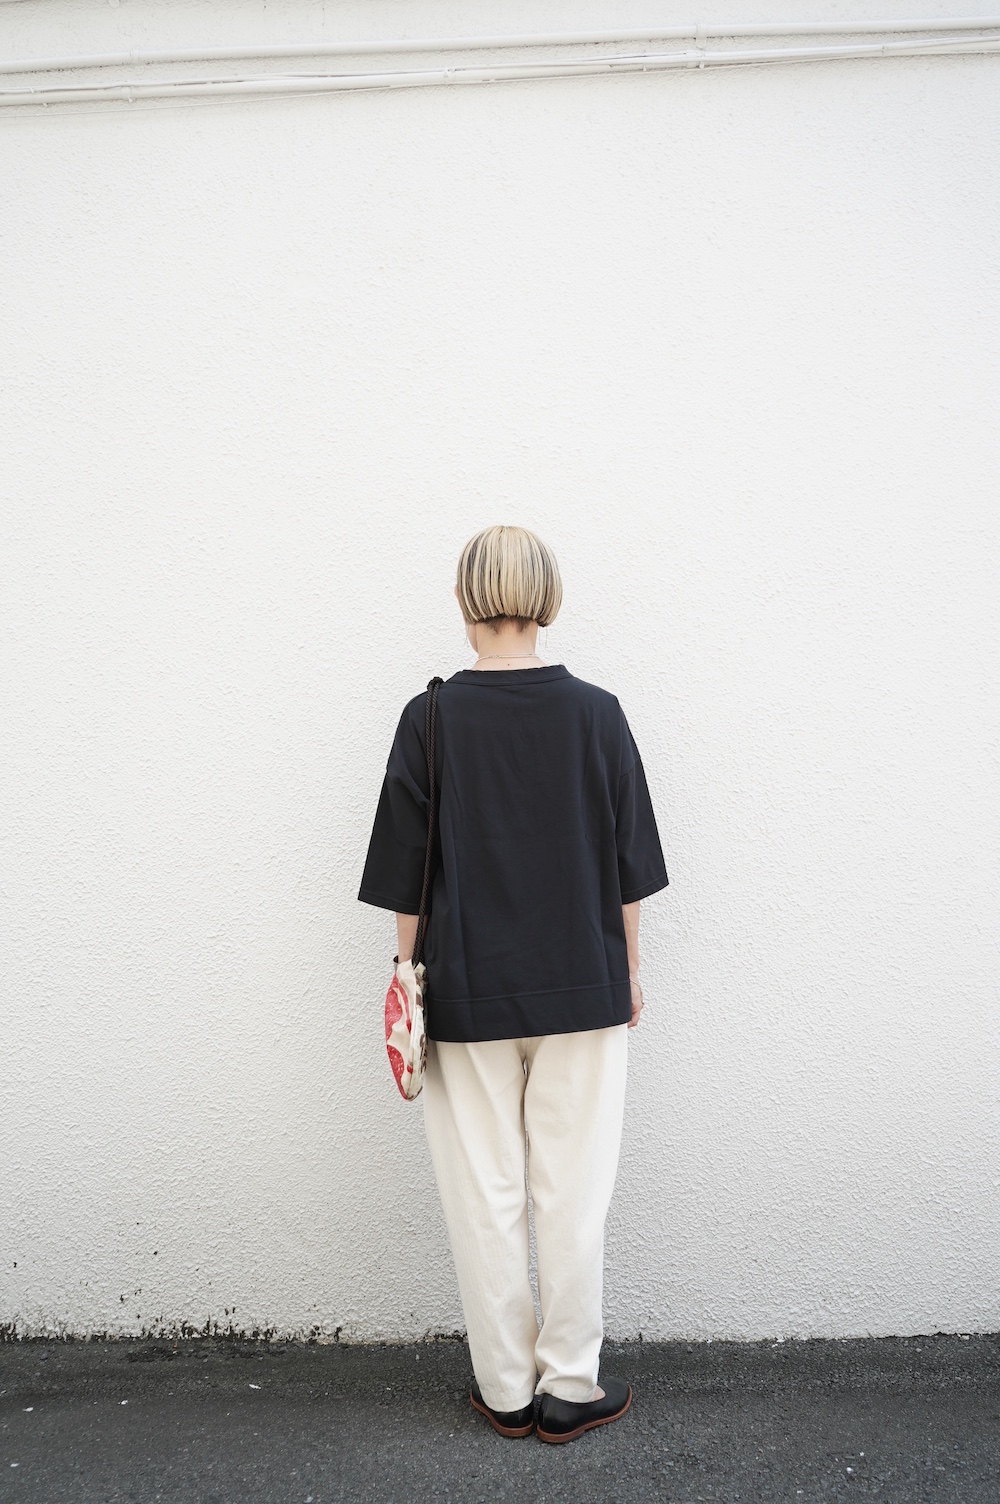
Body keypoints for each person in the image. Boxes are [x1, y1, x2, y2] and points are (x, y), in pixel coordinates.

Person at [358, 524, 668, 1444]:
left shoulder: (430, 720)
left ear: (465, 602)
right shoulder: (598, 715)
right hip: (582, 988)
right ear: (548, 599)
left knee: (482, 1193)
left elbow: (406, 876)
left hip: (466, 990)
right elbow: (629, 869)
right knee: (573, 1191)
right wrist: (629, 972)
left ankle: (504, 1389)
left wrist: (407, 977)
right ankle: (571, 1385)